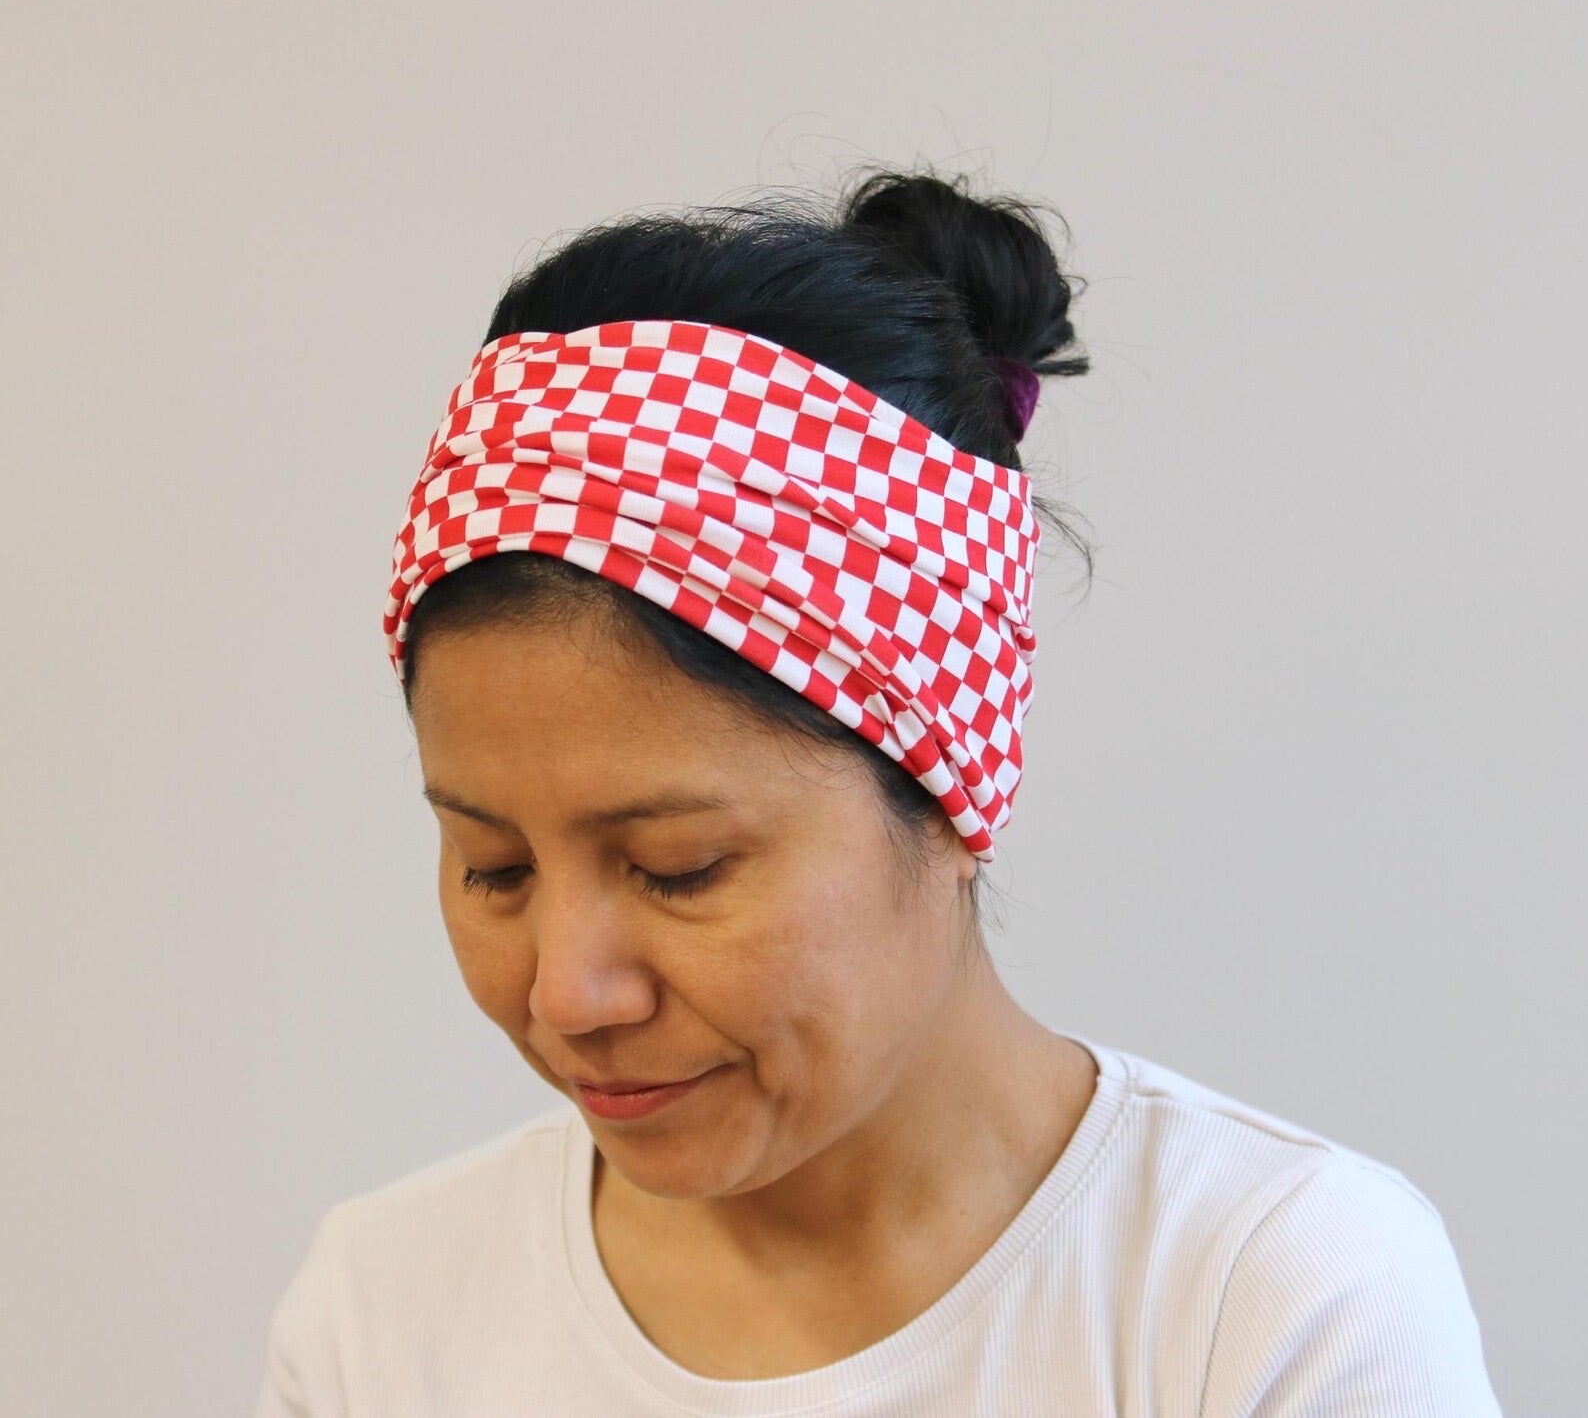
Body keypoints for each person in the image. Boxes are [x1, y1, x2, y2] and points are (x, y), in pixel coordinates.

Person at [253, 170, 1503, 1415]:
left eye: (678, 866)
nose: (565, 991)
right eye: (493, 866)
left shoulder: (1262, 1297)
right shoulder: (384, 1314)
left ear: (953, 794)